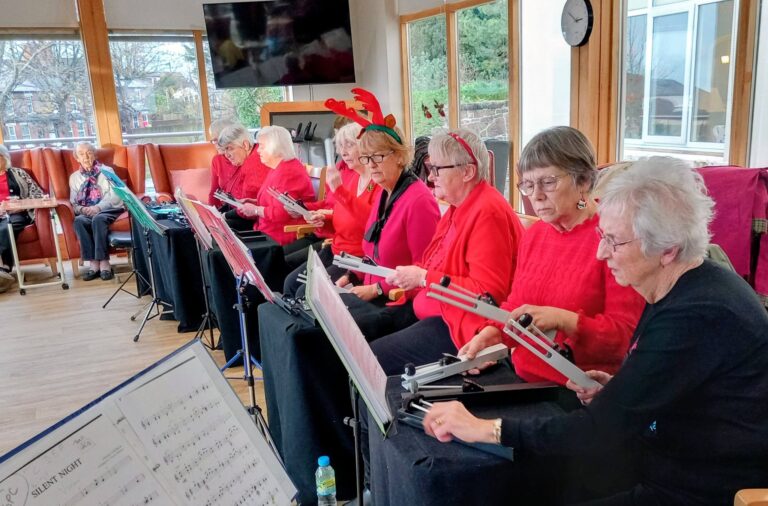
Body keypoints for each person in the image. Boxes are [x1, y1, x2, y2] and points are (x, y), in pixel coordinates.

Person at [422, 157, 768, 505]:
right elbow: (677, 391)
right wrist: (622, 391)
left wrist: (483, 428)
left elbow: (598, 430)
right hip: (666, 456)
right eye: (602, 236)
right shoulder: (680, 286)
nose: (601, 253)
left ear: (667, 250)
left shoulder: (698, 313)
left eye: (615, 242)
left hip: (702, 489)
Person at [460, 126, 645, 384]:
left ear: (583, 181)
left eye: (548, 182)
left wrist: (564, 320)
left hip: (579, 389)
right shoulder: (536, 234)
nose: (536, 195)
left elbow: (625, 338)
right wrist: (492, 333)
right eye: (527, 184)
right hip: (524, 376)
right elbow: (516, 306)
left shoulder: (615, 237)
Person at [369, 129, 525, 374]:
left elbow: (487, 295)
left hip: (462, 325)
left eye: (437, 169)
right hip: (439, 312)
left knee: (373, 358)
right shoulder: (458, 207)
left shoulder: (488, 212)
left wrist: (422, 278)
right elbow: (433, 264)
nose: (430, 177)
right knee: (363, 333)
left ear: (468, 171)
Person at [334, 121, 440, 303]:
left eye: (378, 156)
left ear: (399, 155)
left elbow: (424, 268)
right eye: (366, 158)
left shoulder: (419, 201)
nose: (371, 165)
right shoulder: (385, 191)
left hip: (396, 301)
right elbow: (372, 252)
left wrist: (377, 289)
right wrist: (351, 275)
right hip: (373, 291)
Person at [283, 122, 381, 298]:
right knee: (290, 283)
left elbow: (370, 224)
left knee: (302, 293)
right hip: (336, 250)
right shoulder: (352, 178)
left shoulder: (377, 183)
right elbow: (342, 219)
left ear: (366, 146)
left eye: (349, 145)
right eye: (340, 146)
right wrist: (323, 220)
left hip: (356, 259)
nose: (343, 152)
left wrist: (340, 192)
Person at [238, 125, 315, 245]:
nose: (258, 151)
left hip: (281, 236)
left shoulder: (289, 172)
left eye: (262, 147)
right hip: (268, 231)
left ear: (275, 148)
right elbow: (274, 202)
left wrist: (256, 210)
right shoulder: (279, 168)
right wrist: (254, 202)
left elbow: (282, 213)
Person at [69, 142, 123, 281]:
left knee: (98, 219)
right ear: (77, 158)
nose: (86, 156)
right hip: (86, 211)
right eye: (81, 154)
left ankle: (104, 262)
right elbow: (73, 201)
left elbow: (115, 195)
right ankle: (93, 263)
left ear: (94, 154)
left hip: (108, 209)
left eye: (89, 152)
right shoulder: (74, 177)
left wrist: (98, 208)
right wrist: (82, 209)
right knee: (79, 221)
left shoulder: (107, 171)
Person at [0, 145, 44, 293]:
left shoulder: (18, 173)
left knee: (7, 227)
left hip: (16, 213)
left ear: (5, 158)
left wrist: (22, 206)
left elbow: (37, 194)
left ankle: (5, 266)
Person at [215, 123, 272, 231]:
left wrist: (226, 215)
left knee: (216, 227)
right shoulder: (251, 157)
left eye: (229, 148)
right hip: (255, 215)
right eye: (224, 150)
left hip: (260, 221)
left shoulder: (255, 163)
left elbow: (248, 212)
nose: (226, 155)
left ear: (245, 145)